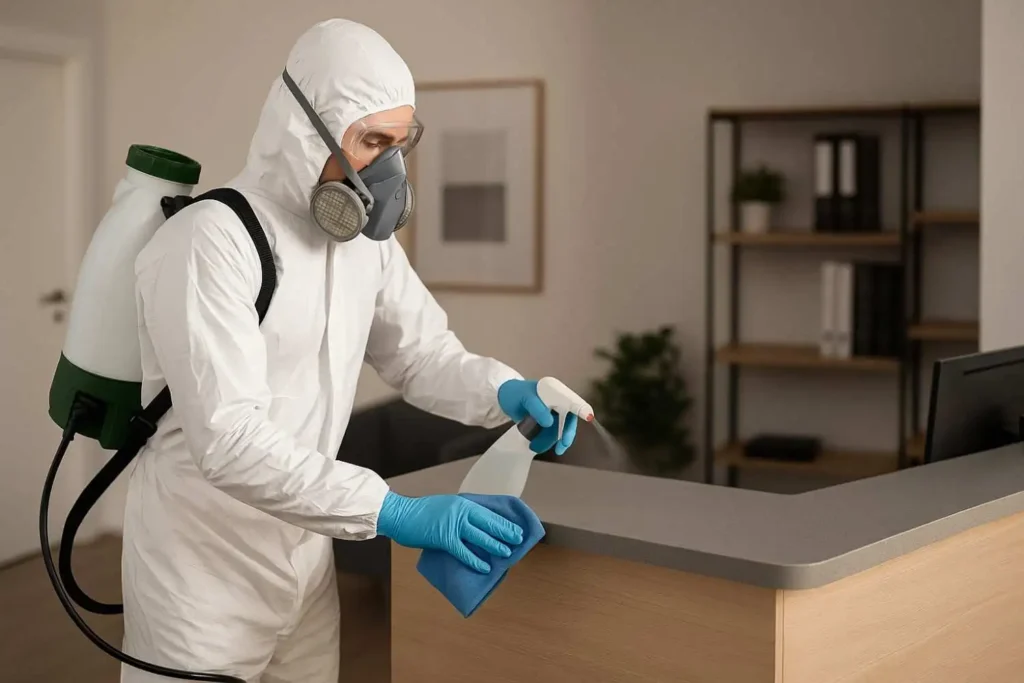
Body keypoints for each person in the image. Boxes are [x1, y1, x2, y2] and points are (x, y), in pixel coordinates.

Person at [121, 18, 578, 683]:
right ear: (306, 133)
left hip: (305, 566)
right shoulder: (210, 241)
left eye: (399, 142)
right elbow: (229, 441)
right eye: (370, 141)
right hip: (201, 579)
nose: (388, 169)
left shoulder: (365, 244)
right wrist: (391, 510)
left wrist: (505, 392)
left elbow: (421, 353)